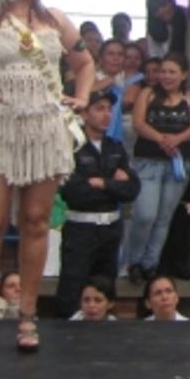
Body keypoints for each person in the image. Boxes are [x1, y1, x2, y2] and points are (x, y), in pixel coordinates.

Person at [0, 0, 94, 351]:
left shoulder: (54, 19)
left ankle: (28, 314)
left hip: (45, 129)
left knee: (35, 221)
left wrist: (83, 97)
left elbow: (84, 61)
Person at [55, 87, 139, 318]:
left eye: (109, 109)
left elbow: (132, 188)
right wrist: (114, 184)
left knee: (105, 286)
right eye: (99, 108)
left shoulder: (115, 147)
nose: (106, 114)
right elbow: (74, 191)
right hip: (80, 228)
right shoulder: (71, 146)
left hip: (110, 228)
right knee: (73, 286)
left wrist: (102, 183)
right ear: (84, 113)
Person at [124, 52, 190, 283]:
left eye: (172, 71)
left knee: (164, 218)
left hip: (177, 164)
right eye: (163, 71)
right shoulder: (148, 93)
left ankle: (150, 264)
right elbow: (138, 123)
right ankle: (133, 261)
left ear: (183, 75)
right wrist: (161, 138)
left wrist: (179, 138)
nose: (166, 76)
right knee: (145, 215)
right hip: (148, 162)